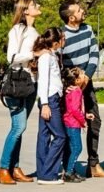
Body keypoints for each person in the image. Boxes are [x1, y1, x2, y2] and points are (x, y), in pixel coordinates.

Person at [58, 0, 104, 178]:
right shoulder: (61, 36)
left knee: (95, 121)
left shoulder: (88, 29)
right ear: (71, 18)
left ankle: (93, 165)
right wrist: (69, 84)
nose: (83, 11)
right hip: (69, 89)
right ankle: (67, 166)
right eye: (79, 10)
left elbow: (95, 54)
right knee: (68, 125)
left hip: (87, 84)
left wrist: (86, 77)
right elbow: (59, 64)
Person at [0, 0, 41, 185]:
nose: (38, 6)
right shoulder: (18, 30)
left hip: (31, 83)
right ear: (25, 11)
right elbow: (12, 57)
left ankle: (14, 167)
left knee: (20, 129)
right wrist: (34, 54)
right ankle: (3, 168)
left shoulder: (34, 31)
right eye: (34, 5)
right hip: (16, 82)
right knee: (18, 127)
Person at [34, 27, 67, 186]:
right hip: (50, 100)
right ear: (55, 42)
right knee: (60, 136)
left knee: (44, 136)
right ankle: (48, 174)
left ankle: (43, 172)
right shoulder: (46, 57)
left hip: (51, 98)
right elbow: (43, 81)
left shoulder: (52, 55)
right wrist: (45, 104)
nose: (64, 41)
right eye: (62, 38)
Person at [60, 67, 92, 183]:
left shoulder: (71, 89)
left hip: (68, 122)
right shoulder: (77, 91)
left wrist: (85, 115)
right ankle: (68, 173)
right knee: (77, 148)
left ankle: (70, 171)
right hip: (73, 124)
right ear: (78, 80)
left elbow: (72, 107)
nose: (85, 76)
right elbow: (74, 109)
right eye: (83, 74)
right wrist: (83, 121)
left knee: (71, 148)